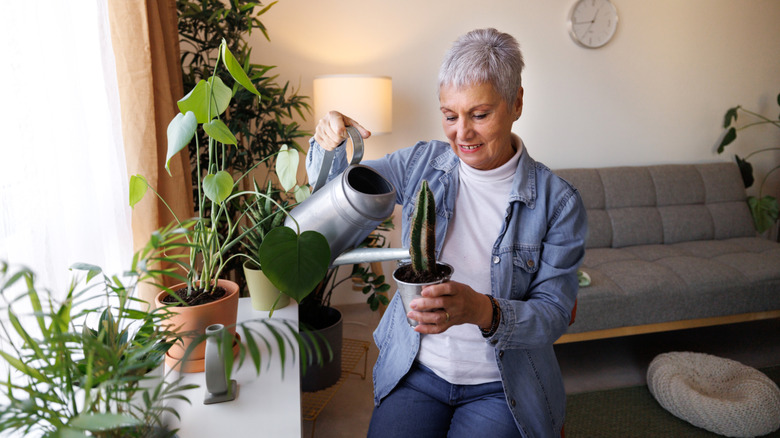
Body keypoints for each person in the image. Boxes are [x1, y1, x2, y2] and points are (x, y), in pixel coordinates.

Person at [307, 28, 587, 438]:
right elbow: (338, 195)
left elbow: (554, 315)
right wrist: (328, 145)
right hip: (416, 370)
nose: (462, 134)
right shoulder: (421, 163)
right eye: (450, 115)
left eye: (480, 114)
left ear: (517, 103)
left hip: (500, 386)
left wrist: (481, 310)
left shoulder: (558, 202)